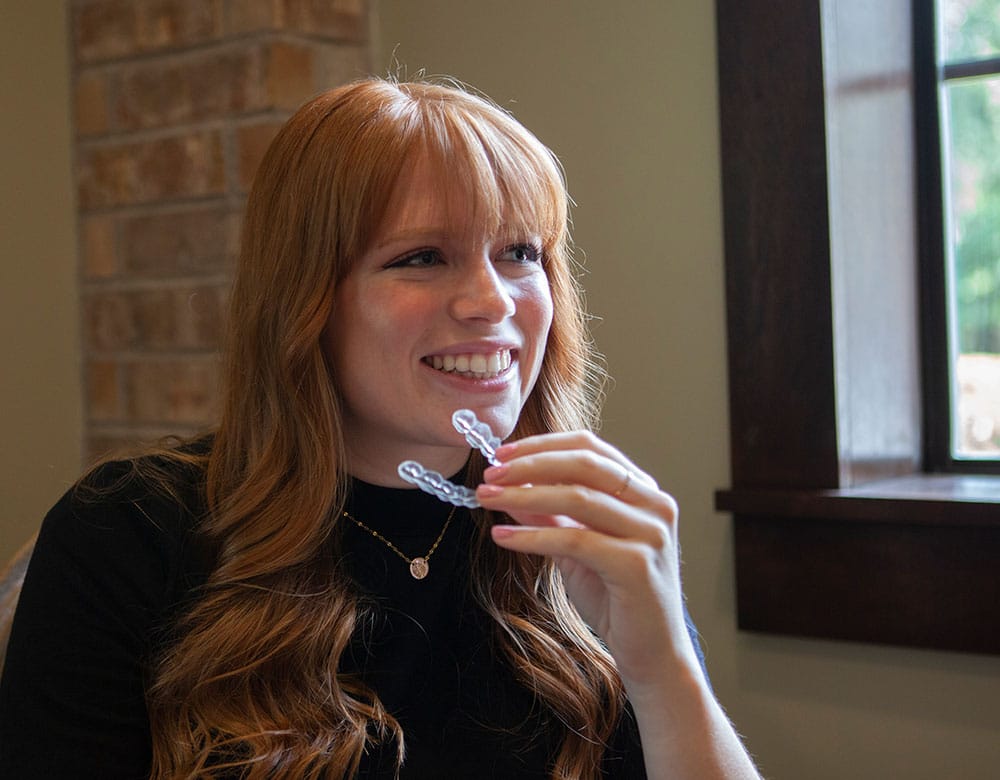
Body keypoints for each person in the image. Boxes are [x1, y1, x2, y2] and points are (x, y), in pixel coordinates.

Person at [0, 77, 760, 779]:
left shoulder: (576, 529)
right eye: (422, 257)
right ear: (307, 302)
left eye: (521, 253)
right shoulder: (127, 533)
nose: (492, 302)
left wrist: (662, 664)